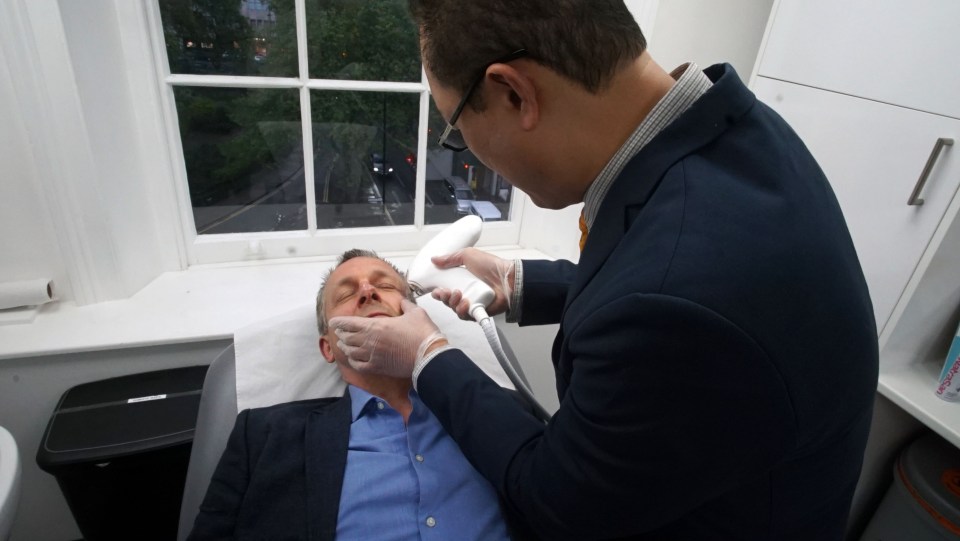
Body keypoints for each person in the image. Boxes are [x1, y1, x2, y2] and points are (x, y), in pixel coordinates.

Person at [328, 1, 879, 540]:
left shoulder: (672, 303)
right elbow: (682, 285)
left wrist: (426, 355)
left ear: (514, 92)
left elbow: (557, 504)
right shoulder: (734, 132)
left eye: (456, 130)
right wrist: (527, 286)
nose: (468, 154)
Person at [188, 249, 531, 541]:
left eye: (384, 285)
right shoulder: (263, 435)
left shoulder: (492, 408)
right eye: (346, 295)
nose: (368, 292)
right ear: (328, 348)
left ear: (419, 317)